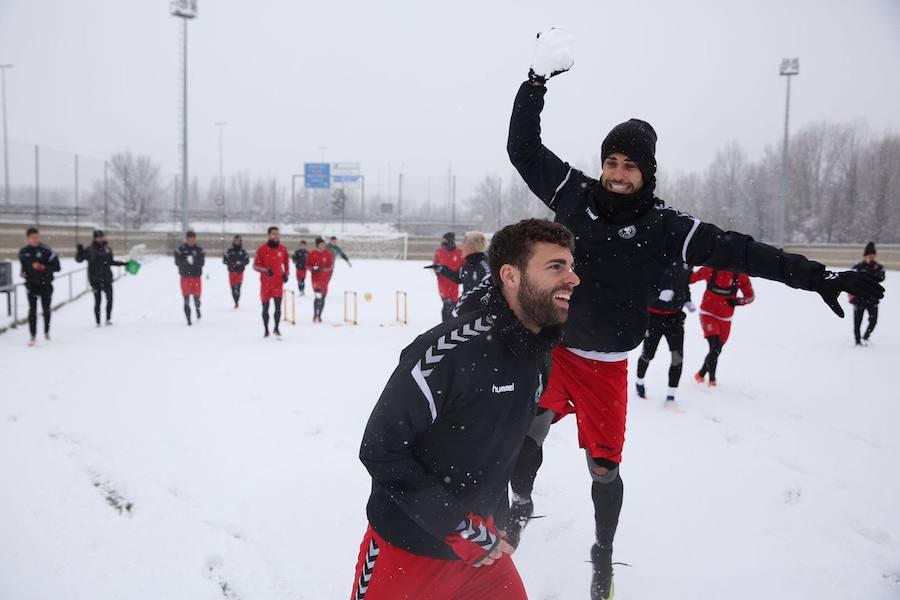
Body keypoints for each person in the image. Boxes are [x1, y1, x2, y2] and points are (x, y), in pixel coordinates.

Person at [504, 28, 884, 600]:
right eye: (610, 160)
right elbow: (523, 149)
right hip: (557, 352)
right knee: (523, 438)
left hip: (607, 366)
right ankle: (520, 505)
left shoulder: (667, 228)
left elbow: (745, 251)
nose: (616, 173)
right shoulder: (573, 195)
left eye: (629, 165)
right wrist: (534, 83)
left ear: (646, 173)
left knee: (603, 472)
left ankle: (602, 555)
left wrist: (817, 276)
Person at [351, 219, 578, 600]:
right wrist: (458, 526)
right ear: (510, 275)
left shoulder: (538, 355)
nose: (572, 278)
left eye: (571, 267)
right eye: (556, 266)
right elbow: (380, 448)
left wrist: (494, 519)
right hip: (408, 551)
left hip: (483, 555)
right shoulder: (445, 353)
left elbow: (502, 444)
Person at [635, 262, 695, 405]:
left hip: (675, 318)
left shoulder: (686, 262)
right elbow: (643, 285)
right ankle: (639, 381)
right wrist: (658, 295)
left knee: (677, 357)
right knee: (648, 354)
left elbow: (684, 285)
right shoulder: (659, 258)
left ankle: (671, 395)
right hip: (654, 317)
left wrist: (686, 300)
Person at [689, 267, 754, 387]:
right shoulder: (711, 269)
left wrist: (738, 302)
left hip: (725, 318)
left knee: (717, 349)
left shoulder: (740, 275)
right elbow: (691, 278)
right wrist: (679, 271)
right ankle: (712, 381)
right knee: (714, 347)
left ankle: (701, 374)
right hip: (707, 314)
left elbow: (750, 297)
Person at [75, 229, 128, 326]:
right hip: (95, 280)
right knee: (98, 301)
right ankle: (98, 322)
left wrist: (124, 264)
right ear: (95, 238)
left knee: (110, 299)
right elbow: (79, 259)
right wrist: (79, 251)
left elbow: (111, 262)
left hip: (107, 278)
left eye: (101, 237)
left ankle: (108, 319)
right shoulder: (90, 249)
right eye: (98, 237)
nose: (100, 239)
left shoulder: (108, 249)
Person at [18, 227, 61, 346]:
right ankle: (33, 335)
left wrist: (43, 268)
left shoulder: (46, 251)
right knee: (32, 311)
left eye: (37, 237)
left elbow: (57, 267)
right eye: (33, 237)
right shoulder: (23, 252)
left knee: (46, 309)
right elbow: (24, 267)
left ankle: (46, 332)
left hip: (45, 284)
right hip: (31, 285)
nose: (35, 239)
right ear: (28, 238)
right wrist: (23, 273)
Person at [438, 231, 493, 318]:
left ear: (471, 247)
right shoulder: (468, 264)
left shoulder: (484, 266)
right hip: (467, 312)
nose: (460, 245)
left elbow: (486, 292)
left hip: (478, 316)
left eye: (464, 242)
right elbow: (459, 278)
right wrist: (443, 269)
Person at [253, 226, 290, 337]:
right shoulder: (262, 249)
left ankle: (276, 328)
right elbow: (255, 266)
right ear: (269, 235)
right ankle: (266, 330)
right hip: (266, 283)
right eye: (274, 234)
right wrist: (265, 270)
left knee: (278, 307)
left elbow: (287, 263)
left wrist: (286, 274)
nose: (276, 236)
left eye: (278, 234)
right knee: (265, 308)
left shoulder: (282, 249)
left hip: (278, 282)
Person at [850, 242, 886, 346]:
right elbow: (852, 281)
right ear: (865, 255)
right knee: (857, 321)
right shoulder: (857, 267)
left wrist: (870, 269)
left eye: (872, 255)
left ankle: (866, 336)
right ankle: (857, 341)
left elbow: (881, 278)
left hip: (872, 297)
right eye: (868, 255)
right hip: (858, 298)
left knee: (873, 320)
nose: (870, 257)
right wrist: (851, 296)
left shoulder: (878, 267)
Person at [427, 232, 464, 321]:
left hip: (454, 283)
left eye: (445, 240)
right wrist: (436, 269)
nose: (443, 242)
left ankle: (452, 324)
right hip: (442, 282)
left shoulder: (459, 252)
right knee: (446, 304)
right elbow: (435, 263)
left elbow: (463, 267)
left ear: (451, 241)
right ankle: (445, 325)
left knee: (454, 304)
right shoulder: (439, 252)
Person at [174, 230, 205, 326]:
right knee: (186, 299)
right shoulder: (180, 249)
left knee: (196, 298)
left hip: (196, 277)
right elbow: (177, 262)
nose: (191, 241)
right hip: (185, 277)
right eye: (189, 239)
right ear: (186, 239)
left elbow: (202, 263)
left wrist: (194, 261)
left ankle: (197, 308)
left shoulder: (199, 249)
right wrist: (185, 262)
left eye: (193, 239)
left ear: (195, 239)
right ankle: (188, 320)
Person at [307, 237, 334, 322]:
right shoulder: (312, 254)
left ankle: (319, 315)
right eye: (321, 244)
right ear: (317, 245)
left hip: (325, 280)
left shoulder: (328, 254)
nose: (323, 246)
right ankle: (315, 314)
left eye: (324, 244)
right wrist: (314, 268)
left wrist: (325, 270)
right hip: (316, 279)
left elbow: (331, 266)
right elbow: (308, 265)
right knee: (318, 297)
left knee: (323, 298)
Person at [223, 235, 250, 309]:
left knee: (238, 288)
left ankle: (237, 302)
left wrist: (240, 263)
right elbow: (225, 260)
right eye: (235, 240)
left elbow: (247, 261)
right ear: (233, 241)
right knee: (232, 288)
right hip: (232, 272)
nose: (237, 242)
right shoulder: (229, 251)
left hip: (240, 273)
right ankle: (235, 301)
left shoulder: (243, 252)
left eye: (238, 240)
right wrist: (233, 263)